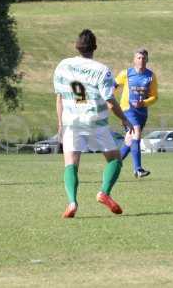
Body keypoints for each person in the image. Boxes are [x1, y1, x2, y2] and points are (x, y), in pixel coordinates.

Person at [54, 29, 133, 218]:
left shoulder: (63, 66)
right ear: (94, 47)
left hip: (72, 121)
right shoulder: (101, 70)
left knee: (71, 164)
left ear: (77, 46)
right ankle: (104, 192)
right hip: (96, 121)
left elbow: (59, 97)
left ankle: (72, 202)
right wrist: (124, 118)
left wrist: (60, 124)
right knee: (115, 159)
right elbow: (109, 101)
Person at [115, 48, 158, 178]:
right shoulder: (126, 73)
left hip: (142, 112)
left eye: (144, 58)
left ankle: (114, 165)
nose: (141, 60)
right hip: (127, 110)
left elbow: (155, 96)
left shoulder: (150, 76)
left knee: (129, 141)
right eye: (139, 58)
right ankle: (138, 169)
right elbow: (113, 85)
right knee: (136, 131)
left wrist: (143, 103)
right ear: (134, 60)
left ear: (147, 60)